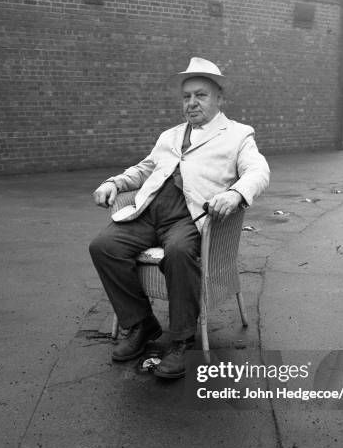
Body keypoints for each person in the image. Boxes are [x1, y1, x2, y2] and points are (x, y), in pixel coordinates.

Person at [89, 57, 270, 379]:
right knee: (103, 246)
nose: (191, 103)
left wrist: (235, 194)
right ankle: (142, 324)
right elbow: (145, 169)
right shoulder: (170, 136)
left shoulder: (238, 135)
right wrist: (113, 182)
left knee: (178, 252)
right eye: (186, 97)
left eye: (200, 95)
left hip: (191, 216)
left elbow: (258, 170)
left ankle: (180, 341)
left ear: (219, 99)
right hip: (149, 212)